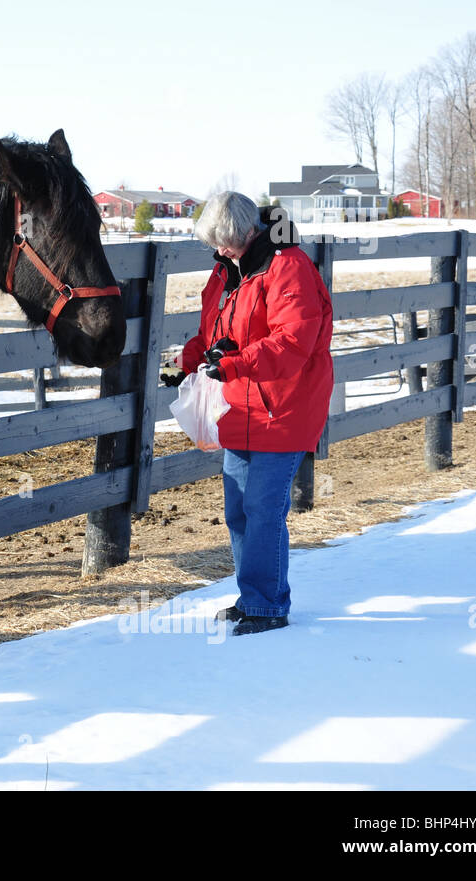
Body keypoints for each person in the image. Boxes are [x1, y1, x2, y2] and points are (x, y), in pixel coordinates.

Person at [162, 192, 333, 635]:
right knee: (238, 508)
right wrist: (189, 361)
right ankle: (252, 597)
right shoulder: (226, 271)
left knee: (262, 507)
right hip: (239, 406)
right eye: (213, 244)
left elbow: (292, 343)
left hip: (285, 406)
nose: (217, 251)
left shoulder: (288, 267)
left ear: (244, 232)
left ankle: (268, 605)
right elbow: (213, 332)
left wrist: (232, 364)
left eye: (223, 242)